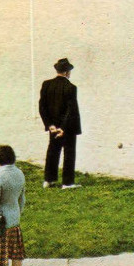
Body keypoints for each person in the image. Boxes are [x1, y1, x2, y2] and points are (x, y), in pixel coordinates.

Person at [38, 57, 82, 189]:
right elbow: (71, 110)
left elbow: (42, 107)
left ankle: (49, 179)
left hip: (53, 126)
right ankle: (67, 182)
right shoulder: (71, 87)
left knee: (52, 151)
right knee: (69, 153)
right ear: (67, 72)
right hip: (67, 128)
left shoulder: (46, 84)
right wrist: (63, 128)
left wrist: (50, 125)